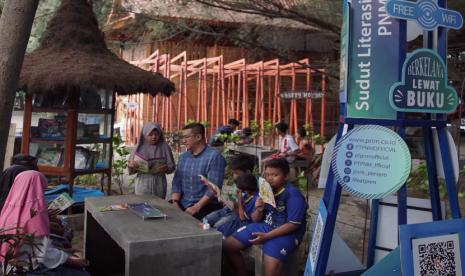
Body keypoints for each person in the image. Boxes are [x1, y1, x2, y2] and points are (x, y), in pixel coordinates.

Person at [223, 158, 308, 276]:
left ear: (286, 175)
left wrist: (267, 236)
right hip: (266, 225)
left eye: (275, 175)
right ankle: (242, 273)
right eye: (267, 175)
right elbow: (255, 219)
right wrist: (259, 209)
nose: (270, 178)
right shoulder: (266, 190)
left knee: (271, 267)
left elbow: (293, 225)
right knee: (227, 245)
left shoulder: (293, 195)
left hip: (286, 232)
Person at [0, 171, 89, 275]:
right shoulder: (34, 213)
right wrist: (70, 260)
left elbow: (32, 245)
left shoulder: (7, 210)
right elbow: (41, 253)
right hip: (26, 269)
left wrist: (62, 251)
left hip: (7, 267)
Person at [171, 123, 226, 220]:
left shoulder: (214, 156)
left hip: (205, 206)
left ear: (198, 137)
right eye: (182, 138)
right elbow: (177, 182)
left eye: (186, 137)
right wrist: (175, 202)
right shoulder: (183, 157)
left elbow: (214, 188)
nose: (183, 141)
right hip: (183, 203)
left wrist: (196, 207)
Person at [202, 154, 256, 228]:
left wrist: (230, 202)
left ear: (248, 172)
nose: (234, 176)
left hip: (235, 214)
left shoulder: (252, 186)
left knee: (218, 226)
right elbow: (229, 199)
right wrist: (220, 196)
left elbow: (243, 210)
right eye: (233, 173)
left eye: (237, 173)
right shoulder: (235, 184)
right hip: (226, 210)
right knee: (205, 220)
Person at [128, 123, 176, 199]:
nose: (154, 137)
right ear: (144, 134)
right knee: (143, 205)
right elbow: (131, 171)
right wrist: (132, 166)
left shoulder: (165, 147)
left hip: (159, 182)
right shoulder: (138, 148)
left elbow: (172, 167)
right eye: (150, 134)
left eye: (156, 134)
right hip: (143, 182)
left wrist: (166, 168)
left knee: (159, 206)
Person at [217, 173, 263, 237]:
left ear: (246, 188)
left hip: (246, 224)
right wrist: (227, 202)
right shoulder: (246, 195)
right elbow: (237, 212)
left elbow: (242, 217)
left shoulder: (256, 198)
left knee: (225, 233)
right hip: (238, 220)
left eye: (240, 189)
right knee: (220, 228)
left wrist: (239, 199)